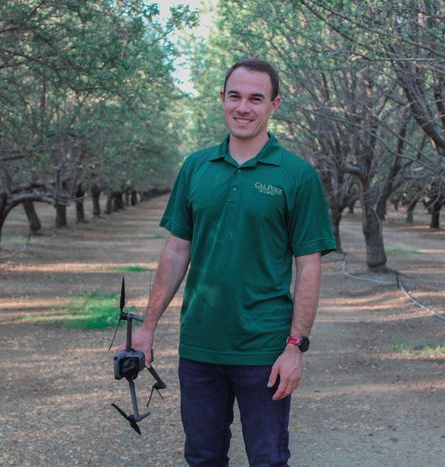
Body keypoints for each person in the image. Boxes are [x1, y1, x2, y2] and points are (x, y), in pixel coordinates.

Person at [129, 58, 335, 466]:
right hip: (200, 345)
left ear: (274, 105)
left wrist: (295, 347)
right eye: (235, 96)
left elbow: (308, 266)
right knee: (203, 457)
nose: (243, 107)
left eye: (256, 98)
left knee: (268, 458)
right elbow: (176, 250)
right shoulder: (196, 167)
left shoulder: (297, 175)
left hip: (264, 349)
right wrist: (147, 328)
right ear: (222, 99)